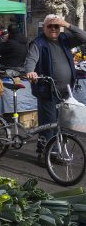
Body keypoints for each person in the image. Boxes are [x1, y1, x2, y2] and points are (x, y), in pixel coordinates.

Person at [24, 14, 86, 166]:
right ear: (44, 27)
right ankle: (43, 154)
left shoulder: (65, 39)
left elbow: (83, 37)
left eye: (56, 26)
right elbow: (31, 60)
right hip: (47, 90)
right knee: (49, 124)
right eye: (50, 26)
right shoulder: (38, 43)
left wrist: (67, 24)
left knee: (63, 123)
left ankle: (56, 152)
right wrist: (31, 72)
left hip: (66, 91)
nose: (53, 29)